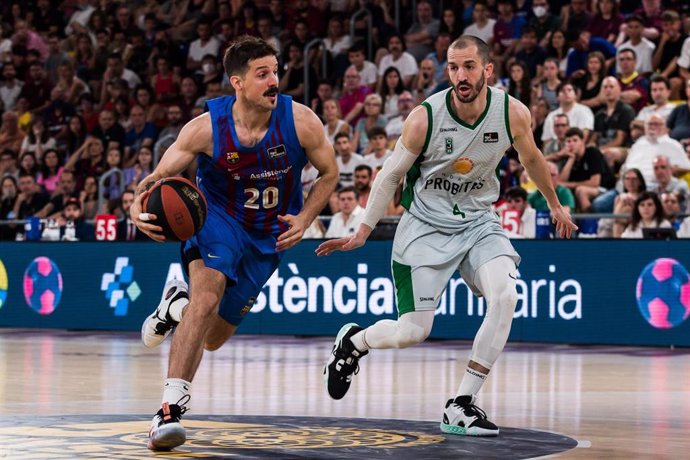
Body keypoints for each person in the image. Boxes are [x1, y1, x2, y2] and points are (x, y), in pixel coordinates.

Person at [316, 36, 576, 437]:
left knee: (506, 296)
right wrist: (362, 232)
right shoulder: (425, 118)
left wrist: (555, 204)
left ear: (488, 70)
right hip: (424, 227)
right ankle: (354, 342)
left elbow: (532, 159)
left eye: (469, 66)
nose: (460, 75)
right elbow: (389, 176)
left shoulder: (512, 113)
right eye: (453, 67)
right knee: (413, 332)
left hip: (477, 222)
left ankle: (461, 404)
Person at [130, 36, 338, 451]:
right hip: (217, 221)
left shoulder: (302, 121)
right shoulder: (205, 127)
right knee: (206, 298)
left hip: (268, 235)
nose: (274, 81)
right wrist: (137, 207)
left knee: (213, 336)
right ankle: (169, 410)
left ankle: (175, 306)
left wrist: (304, 217)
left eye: (276, 71)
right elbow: (155, 178)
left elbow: (329, 174)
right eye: (263, 74)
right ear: (237, 83)